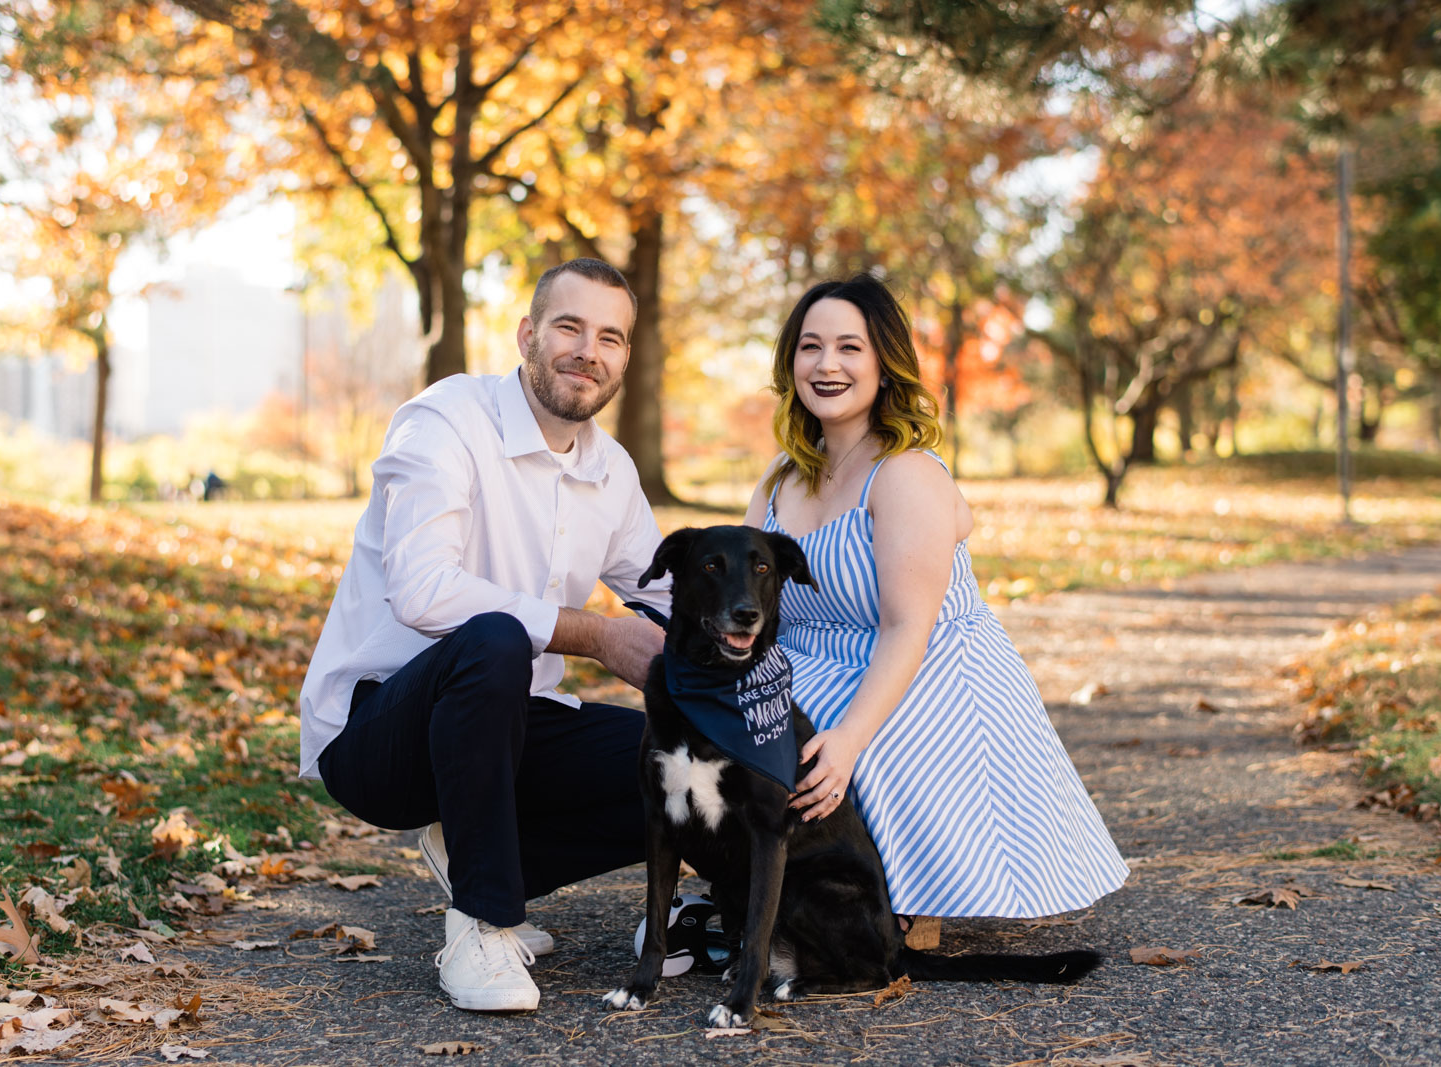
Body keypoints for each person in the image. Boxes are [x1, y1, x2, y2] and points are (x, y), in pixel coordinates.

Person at [297, 258, 671, 1014]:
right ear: (528, 334)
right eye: (569, 326)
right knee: (496, 637)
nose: (587, 351)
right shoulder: (446, 421)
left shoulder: (612, 470)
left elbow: (667, 598)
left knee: (672, 774)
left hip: (513, 733)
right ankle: (484, 920)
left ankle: (480, 857)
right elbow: (423, 590)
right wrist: (597, 635)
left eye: (611, 336)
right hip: (381, 735)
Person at [744, 273, 1128, 937]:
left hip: (921, 667)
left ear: (884, 365)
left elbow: (907, 627)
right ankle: (745, 892)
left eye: (849, 348)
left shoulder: (905, 473)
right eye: (810, 347)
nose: (827, 364)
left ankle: (902, 894)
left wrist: (848, 742)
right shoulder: (779, 481)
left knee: (827, 740)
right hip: (808, 663)